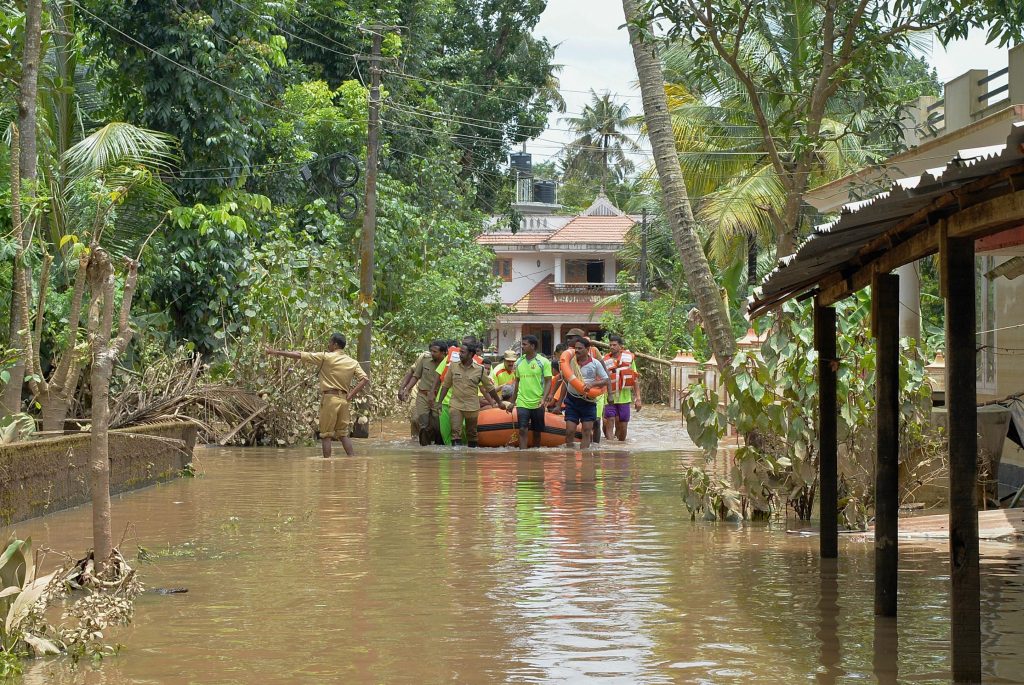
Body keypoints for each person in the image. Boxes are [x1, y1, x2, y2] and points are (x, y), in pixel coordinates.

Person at [266, 332, 369, 458]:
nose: (328, 344)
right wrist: (351, 394)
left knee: (326, 435)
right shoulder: (352, 362)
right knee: (343, 434)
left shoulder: (325, 357)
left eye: (330, 342)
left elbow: (299, 355)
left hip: (330, 399)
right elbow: (365, 379)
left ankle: (326, 465)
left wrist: (276, 352)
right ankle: (353, 460)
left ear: (335, 344)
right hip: (344, 400)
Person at [435, 340, 505, 447]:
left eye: (463, 352)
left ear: (471, 354)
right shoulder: (453, 366)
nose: (460, 354)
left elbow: (489, 388)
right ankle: (456, 458)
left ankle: (471, 459)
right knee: (455, 432)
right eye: (460, 351)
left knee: (471, 434)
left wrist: (499, 402)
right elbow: (445, 385)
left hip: (472, 407)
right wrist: (439, 402)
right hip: (455, 405)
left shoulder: (480, 369)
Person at [561, 337, 609, 449]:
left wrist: (592, 384)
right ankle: (569, 459)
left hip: (588, 401)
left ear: (587, 349)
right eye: (575, 348)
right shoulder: (570, 362)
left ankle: (585, 459)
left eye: (580, 348)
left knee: (587, 431)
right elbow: (564, 381)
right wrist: (558, 402)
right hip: (572, 400)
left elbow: (606, 380)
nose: (576, 350)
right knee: (569, 431)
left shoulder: (595, 363)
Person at [506, 335, 553, 449]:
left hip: (538, 402)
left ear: (532, 346)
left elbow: (548, 381)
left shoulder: (543, 362)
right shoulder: (519, 362)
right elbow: (517, 382)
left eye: (524, 344)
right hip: (522, 401)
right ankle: (523, 455)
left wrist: (543, 398)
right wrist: (513, 401)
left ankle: (536, 456)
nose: (522, 347)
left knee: (537, 432)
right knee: (522, 429)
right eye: (522, 344)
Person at [398, 340, 447, 444]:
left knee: (437, 426)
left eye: (435, 352)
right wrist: (407, 389)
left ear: (443, 352)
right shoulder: (425, 360)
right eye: (431, 351)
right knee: (422, 423)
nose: (432, 353)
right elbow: (416, 376)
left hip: (438, 398)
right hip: (422, 395)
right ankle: (423, 450)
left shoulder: (448, 365)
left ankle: (438, 449)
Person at [603, 334, 643, 441]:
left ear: (620, 346)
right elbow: (602, 379)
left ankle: (621, 447)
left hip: (624, 398)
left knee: (623, 425)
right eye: (610, 345)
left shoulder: (629, 359)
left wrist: (638, 398)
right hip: (609, 397)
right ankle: (610, 446)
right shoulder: (605, 360)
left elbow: (634, 379)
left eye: (614, 345)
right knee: (610, 420)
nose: (612, 347)